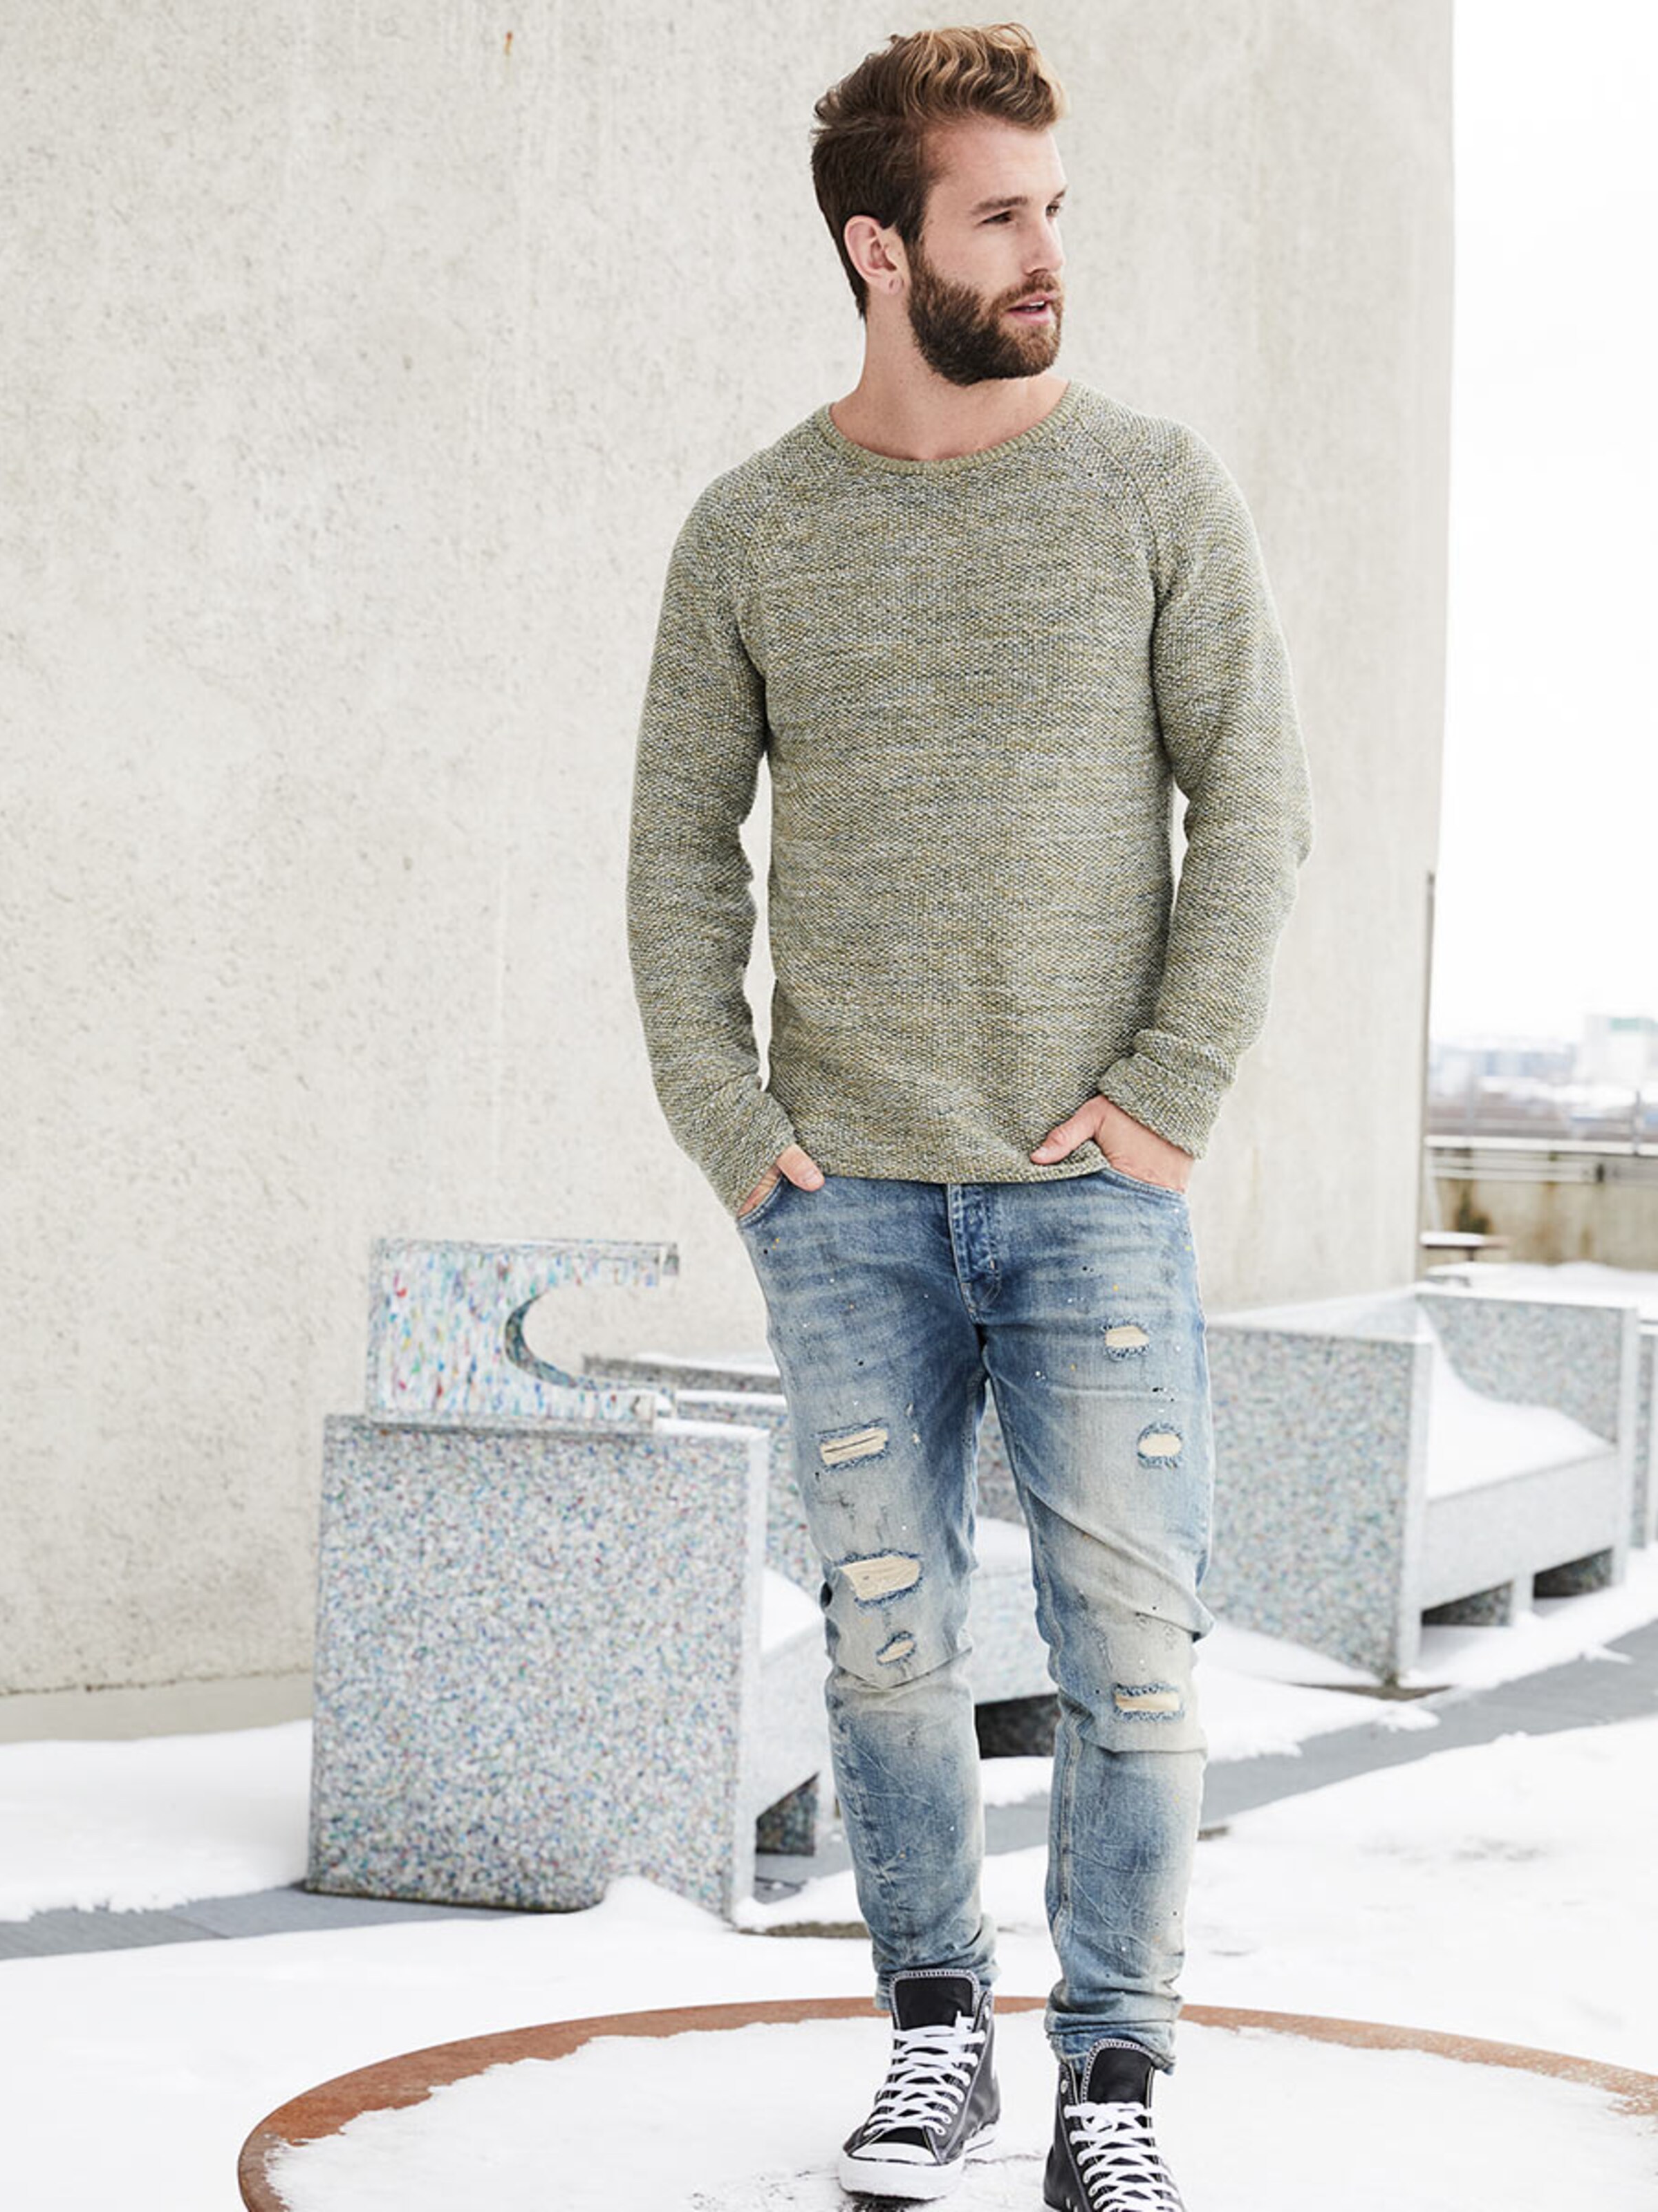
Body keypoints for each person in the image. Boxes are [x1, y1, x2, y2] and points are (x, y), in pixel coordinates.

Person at [627, 22, 1313, 2209]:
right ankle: (938, 2033)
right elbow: (676, 850)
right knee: (890, 1642)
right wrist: (729, 1121)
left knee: (1132, 1654)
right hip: (843, 1198)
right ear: (877, 247)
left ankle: (1113, 2078)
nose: (1044, 254)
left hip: (1087, 1189)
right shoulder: (752, 529)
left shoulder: (1151, 489)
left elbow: (1256, 807)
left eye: (1053, 211)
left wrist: (1170, 1099)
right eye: (998, 216)